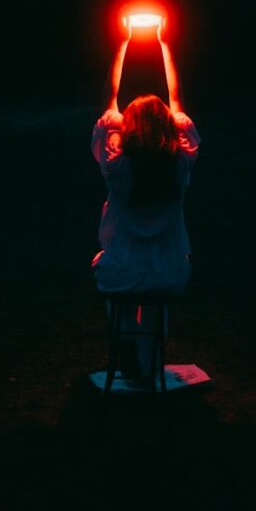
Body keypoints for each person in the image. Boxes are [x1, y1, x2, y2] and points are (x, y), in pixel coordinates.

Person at [91, 22, 200, 382]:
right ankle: (149, 357)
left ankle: (128, 347)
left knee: (113, 274)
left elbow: (108, 96)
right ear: (169, 126)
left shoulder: (116, 163)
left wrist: (121, 42)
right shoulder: (180, 159)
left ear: (129, 126)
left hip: (122, 273)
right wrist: (165, 44)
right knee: (156, 293)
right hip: (171, 274)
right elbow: (179, 97)